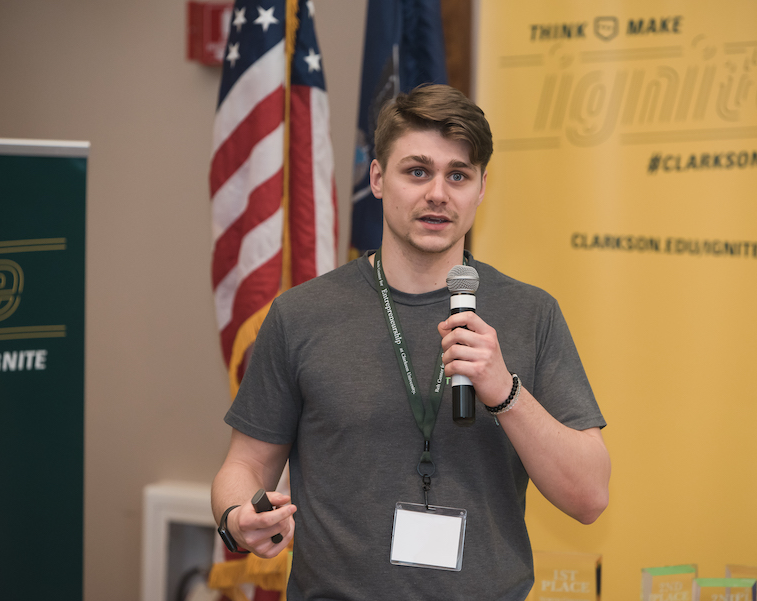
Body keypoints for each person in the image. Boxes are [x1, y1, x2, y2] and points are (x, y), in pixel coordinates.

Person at [212, 84, 610, 600]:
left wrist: (503, 391)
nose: (438, 194)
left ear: (482, 188)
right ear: (378, 178)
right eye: (417, 171)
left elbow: (589, 496)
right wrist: (236, 516)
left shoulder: (532, 314)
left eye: (458, 175)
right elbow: (244, 466)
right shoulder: (301, 314)